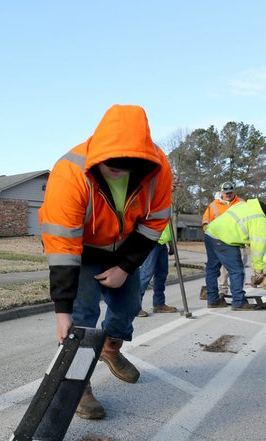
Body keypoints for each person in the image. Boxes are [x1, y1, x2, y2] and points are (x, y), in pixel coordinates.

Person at [39, 104, 173, 420]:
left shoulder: (159, 169)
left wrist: (125, 267)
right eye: (111, 163)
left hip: (123, 249)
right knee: (82, 319)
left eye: (126, 164)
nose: (116, 169)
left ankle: (110, 348)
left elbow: (154, 222)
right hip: (81, 250)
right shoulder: (70, 171)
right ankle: (77, 387)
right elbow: (62, 244)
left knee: (127, 308)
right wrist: (62, 310)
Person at [204, 199, 266, 310]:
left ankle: (213, 300)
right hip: (225, 239)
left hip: (210, 233)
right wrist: (258, 270)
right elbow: (257, 250)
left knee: (212, 269)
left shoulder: (246, 205)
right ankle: (239, 302)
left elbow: (241, 226)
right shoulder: (261, 220)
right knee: (236, 270)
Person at [199, 182, 243, 299]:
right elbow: (205, 222)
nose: (228, 195)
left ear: (234, 191)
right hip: (217, 239)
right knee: (230, 269)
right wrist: (211, 236)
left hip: (234, 240)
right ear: (221, 191)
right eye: (226, 193)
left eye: (230, 193)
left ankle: (228, 294)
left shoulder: (241, 203)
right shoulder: (213, 205)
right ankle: (227, 293)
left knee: (234, 268)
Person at [137, 220, 178, 317]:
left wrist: (170, 242)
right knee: (146, 274)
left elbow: (167, 227)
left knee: (161, 274)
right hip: (151, 241)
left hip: (162, 243)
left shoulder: (166, 207)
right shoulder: (151, 205)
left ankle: (159, 304)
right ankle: (135, 307)